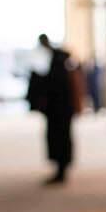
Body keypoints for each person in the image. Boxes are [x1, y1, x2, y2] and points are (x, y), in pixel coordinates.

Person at [25, 33, 76, 185]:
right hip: (60, 110)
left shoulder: (58, 62)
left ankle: (61, 171)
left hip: (59, 110)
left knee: (60, 139)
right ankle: (60, 170)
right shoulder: (59, 60)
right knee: (59, 138)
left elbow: (53, 85)